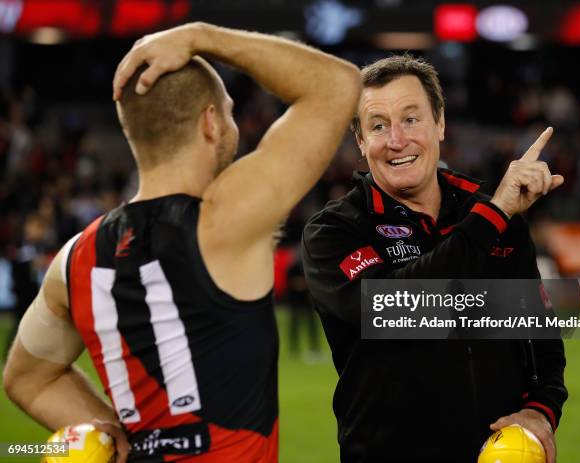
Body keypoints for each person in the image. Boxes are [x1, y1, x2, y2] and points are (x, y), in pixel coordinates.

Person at [3, 22, 361, 462]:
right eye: (228, 111)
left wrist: (114, 432)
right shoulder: (226, 220)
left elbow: (27, 379)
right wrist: (203, 36)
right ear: (210, 123)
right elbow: (339, 84)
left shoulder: (75, 257)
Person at [301, 55, 567, 463]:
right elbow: (393, 310)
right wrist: (494, 216)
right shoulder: (334, 231)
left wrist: (541, 410)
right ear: (360, 142)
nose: (396, 140)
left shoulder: (495, 214)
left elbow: (540, 335)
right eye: (377, 126)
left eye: (411, 119)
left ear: (440, 123)